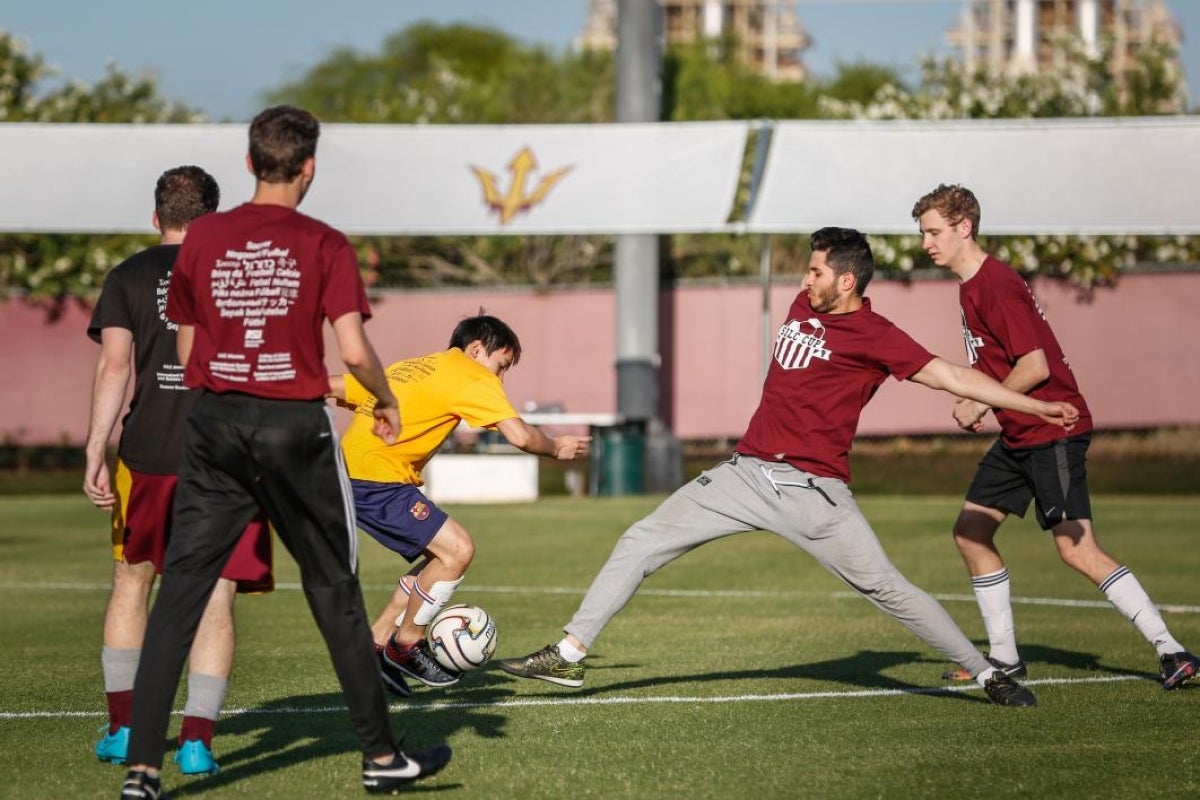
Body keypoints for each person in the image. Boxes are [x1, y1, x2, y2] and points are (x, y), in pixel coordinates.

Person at [499, 226, 1079, 707]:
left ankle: (986, 673)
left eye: (817, 272)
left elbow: (954, 376)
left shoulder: (877, 336)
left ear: (846, 281)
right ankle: (569, 656)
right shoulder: (806, 303)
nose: (805, 280)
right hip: (743, 473)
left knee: (887, 588)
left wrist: (1033, 404)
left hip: (814, 493)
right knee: (640, 539)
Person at [118, 106, 451, 800]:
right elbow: (354, 350)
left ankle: (143, 773)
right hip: (292, 427)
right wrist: (386, 400)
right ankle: (381, 758)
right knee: (334, 590)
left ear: (248, 164)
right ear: (309, 168)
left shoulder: (204, 237)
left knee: (178, 594)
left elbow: (186, 347)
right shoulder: (324, 241)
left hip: (211, 427)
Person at [911, 183, 1198, 690]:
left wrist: (981, 399)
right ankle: (1004, 659)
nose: (926, 243)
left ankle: (1171, 649)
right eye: (923, 234)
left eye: (933, 232)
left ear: (964, 227)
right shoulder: (971, 285)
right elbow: (1004, 364)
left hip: (1053, 431)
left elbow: (1035, 365)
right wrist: (989, 399)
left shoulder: (994, 284)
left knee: (1076, 549)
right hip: (1020, 435)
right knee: (971, 532)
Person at [84, 165, 275, 778]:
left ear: (155, 215)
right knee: (215, 594)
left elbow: (116, 367)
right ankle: (196, 741)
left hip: (146, 457)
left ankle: (122, 729)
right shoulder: (238, 274)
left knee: (131, 583)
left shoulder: (128, 275)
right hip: (229, 458)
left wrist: (96, 446)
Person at [327, 313, 590, 694]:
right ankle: (406, 644)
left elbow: (337, 385)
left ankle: (375, 645)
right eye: (500, 365)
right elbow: (518, 435)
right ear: (477, 349)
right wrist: (555, 447)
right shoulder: (470, 374)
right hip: (375, 479)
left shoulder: (414, 367)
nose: (498, 379)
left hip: (352, 472)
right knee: (457, 550)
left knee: (438, 558)